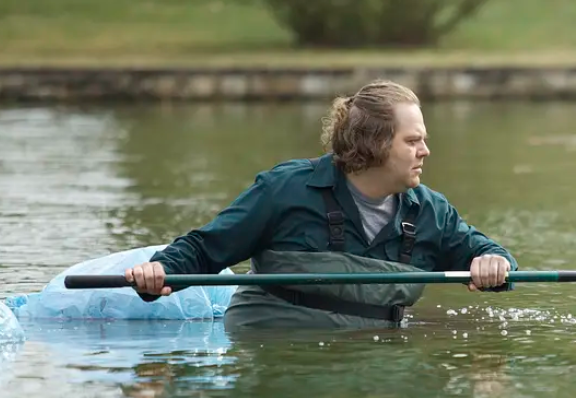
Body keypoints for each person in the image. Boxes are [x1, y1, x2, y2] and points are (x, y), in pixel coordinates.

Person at [125, 80, 516, 330]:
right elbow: (205, 248)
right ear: (376, 144)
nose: (425, 151)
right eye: (412, 141)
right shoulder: (284, 189)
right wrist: (161, 270)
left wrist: (495, 263)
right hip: (279, 351)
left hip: (375, 364)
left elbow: (489, 255)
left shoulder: (431, 211)